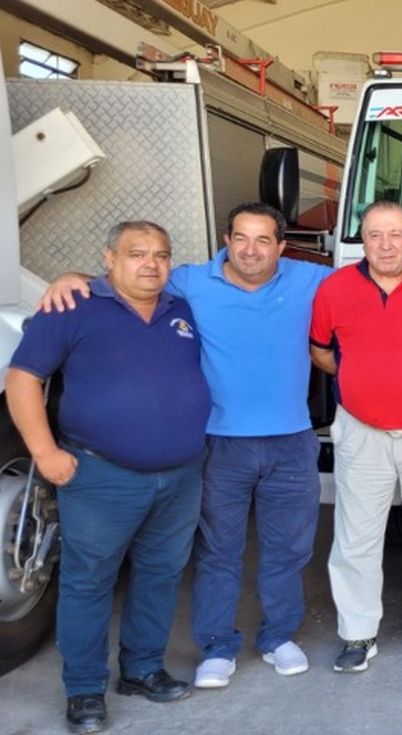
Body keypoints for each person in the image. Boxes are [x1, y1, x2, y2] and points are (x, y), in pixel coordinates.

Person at [38, 202, 402, 687]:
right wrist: (71, 276)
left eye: (263, 240)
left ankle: (278, 636)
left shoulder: (310, 280)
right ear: (226, 240)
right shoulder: (189, 281)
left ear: (280, 246)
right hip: (219, 443)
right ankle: (217, 645)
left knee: (288, 548)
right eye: (241, 238)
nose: (251, 250)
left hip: (291, 440)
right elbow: (131, 278)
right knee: (217, 550)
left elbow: (380, 267)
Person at [7, 222, 209, 734]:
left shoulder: (180, 309)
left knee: (161, 575)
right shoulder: (70, 307)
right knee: (88, 582)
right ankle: (84, 691)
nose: (151, 264)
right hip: (101, 476)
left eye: (161, 255)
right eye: (137, 254)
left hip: (180, 475)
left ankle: (141, 669)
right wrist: (44, 451)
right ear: (109, 259)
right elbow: (23, 379)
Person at [310, 202, 402, 673]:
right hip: (362, 432)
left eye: (396, 234)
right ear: (362, 240)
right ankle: (358, 635)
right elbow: (321, 351)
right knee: (356, 539)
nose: (386, 244)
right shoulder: (334, 287)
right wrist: (363, 380)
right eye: (375, 235)